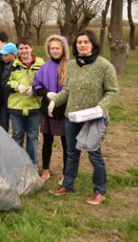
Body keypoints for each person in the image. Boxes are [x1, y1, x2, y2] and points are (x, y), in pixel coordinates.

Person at [49, 29, 119, 205]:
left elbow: (112, 91)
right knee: (72, 152)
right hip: (72, 117)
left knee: (94, 154)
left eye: (86, 42)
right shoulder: (72, 66)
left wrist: (100, 108)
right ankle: (68, 184)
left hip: (93, 118)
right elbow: (68, 89)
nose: (82, 45)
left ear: (93, 45)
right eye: (79, 42)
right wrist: (55, 101)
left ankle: (100, 190)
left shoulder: (105, 66)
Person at [33, 35, 69, 183]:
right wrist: (47, 93)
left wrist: (60, 99)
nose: (54, 50)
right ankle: (46, 170)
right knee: (47, 140)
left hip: (65, 109)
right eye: (52, 48)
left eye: (57, 48)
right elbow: (36, 86)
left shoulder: (71, 66)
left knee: (66, 143)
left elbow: (72, 88)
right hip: (47, 108)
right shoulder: (44, 66)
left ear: (63, 49)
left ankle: (66, 174)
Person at [7, 38, 44, 167]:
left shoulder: (41, 64)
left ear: (31, 48)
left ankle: (32, 166)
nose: (24, 51)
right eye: (21, 48)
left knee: (33, 137)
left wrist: (35, 89)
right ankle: (15, 165)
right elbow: (5, 81)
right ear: (18, 50)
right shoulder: (13, 65)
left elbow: (45, 81)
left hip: (34, 106)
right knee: (17, 136)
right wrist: (17, 86)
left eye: (26, 48)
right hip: (16, 106)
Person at [0, 43, 18, 132]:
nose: (3, 57)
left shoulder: (18, 67)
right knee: (3, 127)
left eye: (5, 55)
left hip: (15, 102)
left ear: (13, 54)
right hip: (4, 101)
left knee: (17, 130)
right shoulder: (4, 65)